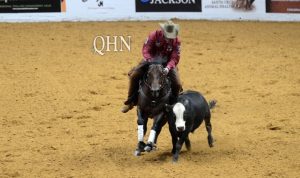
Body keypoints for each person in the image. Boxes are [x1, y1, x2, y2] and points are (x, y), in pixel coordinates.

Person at [121, 20, 182, 113]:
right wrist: (150, 61)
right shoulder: (153, 35)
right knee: (134, 76)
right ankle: (131, 101)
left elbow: (175, 57)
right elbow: (146, 49)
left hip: (167, 63)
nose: (170, 38)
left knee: (177, 84)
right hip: (150, 60)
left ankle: (173, 104)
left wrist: (168, 67)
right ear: (163, 32)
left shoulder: (176, 41)